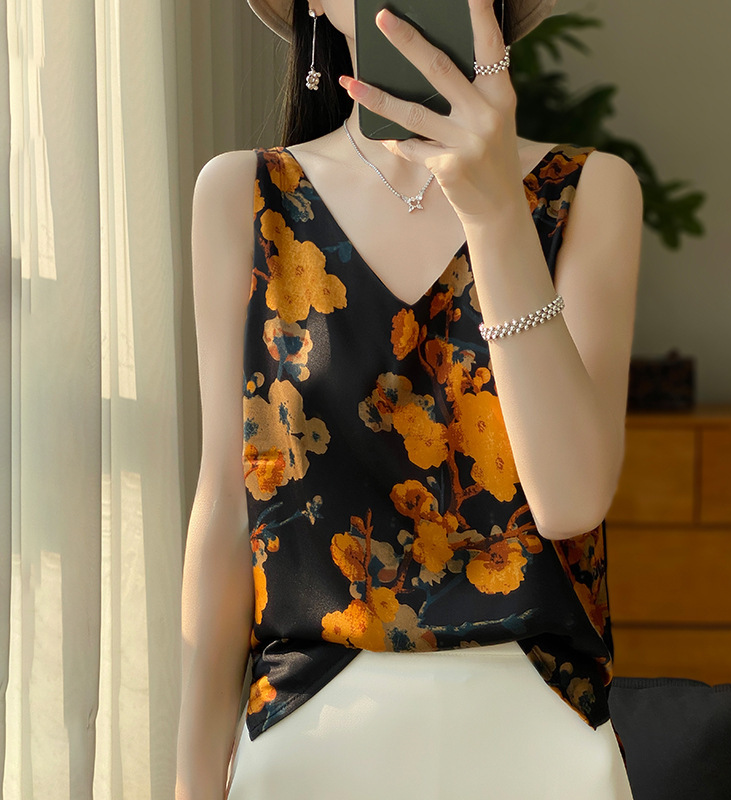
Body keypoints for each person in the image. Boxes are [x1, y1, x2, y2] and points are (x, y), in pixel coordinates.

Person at [175, 0, 643, 797]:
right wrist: (190, 781)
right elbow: (227, 506)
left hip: (538, 741)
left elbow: (571, 502)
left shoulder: (588, 189)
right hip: (306, 740)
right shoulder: (243, 193)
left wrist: (495, 211)